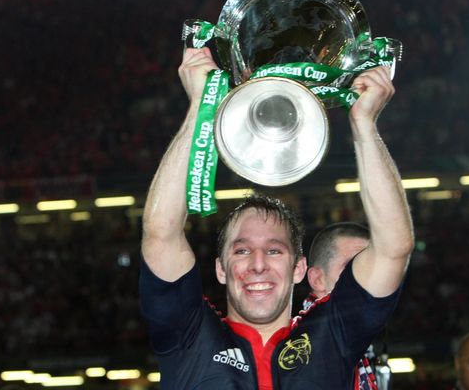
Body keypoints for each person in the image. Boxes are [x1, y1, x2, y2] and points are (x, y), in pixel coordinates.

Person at [139, 46, 414, 389]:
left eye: (274, 251)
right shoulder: (190, 335)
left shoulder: (332, 337)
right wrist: (200, 106)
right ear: (220, 269)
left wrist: (363, 124)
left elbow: (393, 248)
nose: (257, 265)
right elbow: (160, 232)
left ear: (299, 268)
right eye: (241, 250)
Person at [305, 222, 381, 390]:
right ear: (317, 279)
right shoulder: (309, 347)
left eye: (372, 269)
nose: (366, 279)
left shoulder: (342, 337)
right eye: (351, 267)